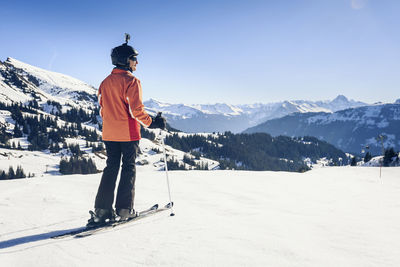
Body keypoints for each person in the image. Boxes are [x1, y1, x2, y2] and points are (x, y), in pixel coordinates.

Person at [87, 36, 166, 227]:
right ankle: (124, 210)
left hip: (109, 133)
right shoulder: (132, 81)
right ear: (125, 61)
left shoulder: (105, 82)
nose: (137, 62)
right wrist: (152, 123)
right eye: (134, 58)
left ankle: (101, 211)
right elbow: (136, 110)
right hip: (128, 133)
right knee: (128, 168)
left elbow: (102, 108)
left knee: (111, 168)